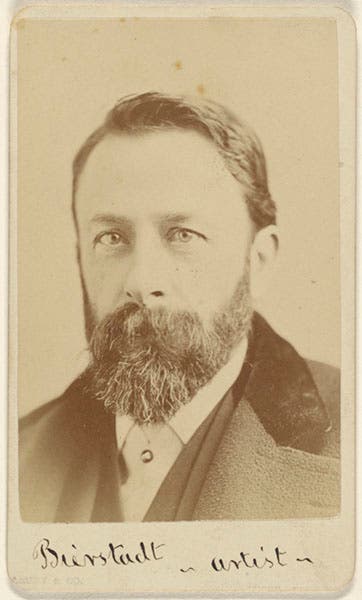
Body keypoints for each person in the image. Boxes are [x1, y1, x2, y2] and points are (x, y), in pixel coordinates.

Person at [19, 92, 340, 522]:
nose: (141, 282)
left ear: (258, 261)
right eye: (111, 238)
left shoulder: (347, 437)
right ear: (81, 259)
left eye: (182, 235)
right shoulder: (19, 455)